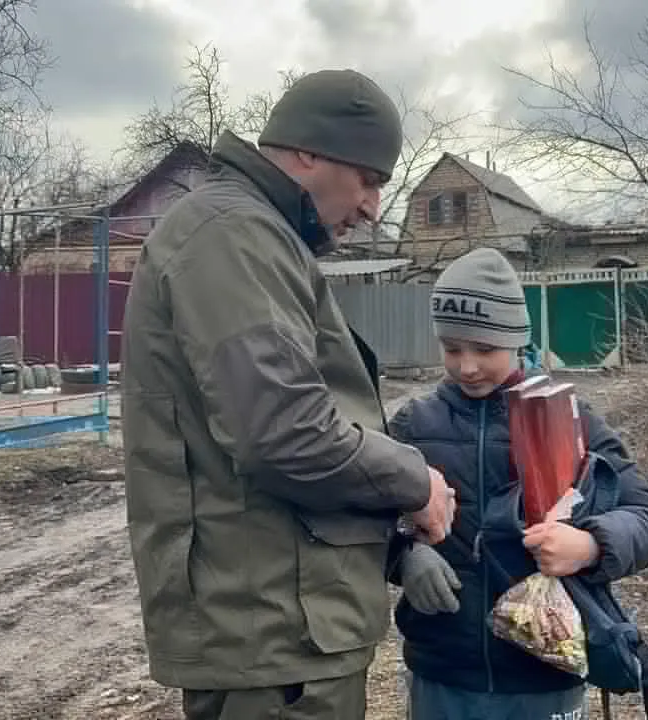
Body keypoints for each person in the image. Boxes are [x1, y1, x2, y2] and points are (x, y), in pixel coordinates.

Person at [119, 69, 457, 720]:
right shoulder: (232, 235)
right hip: (273, 633)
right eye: (369, 179)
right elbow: (286, 433)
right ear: (308, 152)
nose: (371, 207)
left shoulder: (251, 234)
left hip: (285, 627)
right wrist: (418, 483)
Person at [387, 247, 648, 720]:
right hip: (444, 672)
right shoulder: (413, 425)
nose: (468, 366)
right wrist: (403, 555)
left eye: (485, 349)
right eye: (453, 348)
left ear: (518, 339)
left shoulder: (571, 421)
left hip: (544, 672)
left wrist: (591, 545)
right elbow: (365, 516)